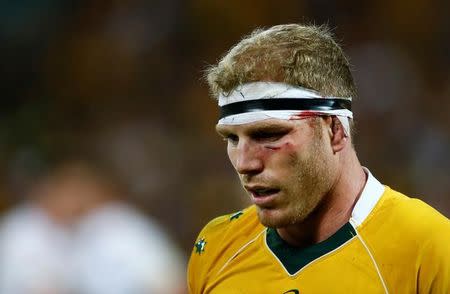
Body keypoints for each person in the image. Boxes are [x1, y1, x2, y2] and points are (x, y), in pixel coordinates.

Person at [187, 24, 450, 293]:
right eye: (232, 138)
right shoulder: (216, 247)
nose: (245, 163)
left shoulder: (429, 249)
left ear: (335, 131)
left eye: (268, 135)